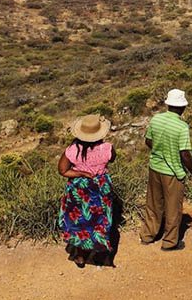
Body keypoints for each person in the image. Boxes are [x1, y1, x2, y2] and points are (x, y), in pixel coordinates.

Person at [139, 88, 192, 251]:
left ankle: (148, 235)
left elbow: (148, 141)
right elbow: (184, 154)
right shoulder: (182, 127)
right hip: (172, 172)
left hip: (155, 168)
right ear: (182, 107)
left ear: (168, 105)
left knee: (153, 204)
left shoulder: (156, 119)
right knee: (173, 208)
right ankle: (169, 242)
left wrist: (160, 151)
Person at [58, 113, 116, 267]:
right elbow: (112, 159)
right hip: (101, 187)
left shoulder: (72, 150)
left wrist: (81, 173)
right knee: (100, 220)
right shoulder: (107, 148)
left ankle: (80, 255)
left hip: (79, 190)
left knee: (80, 221)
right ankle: (99, 252)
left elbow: (63, 170)